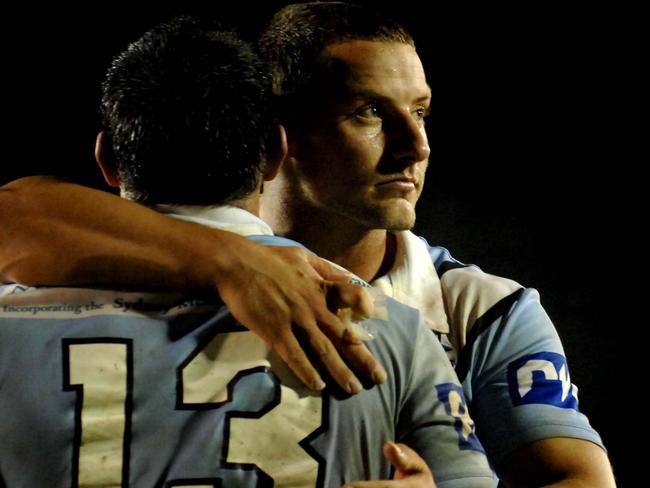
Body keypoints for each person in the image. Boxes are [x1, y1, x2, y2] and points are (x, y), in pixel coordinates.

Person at [0, 2, 616, 486]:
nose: (416, 145)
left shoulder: (480, 309)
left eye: (421, 112)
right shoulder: (399, 334)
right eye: (369, 111)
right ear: (280, 140)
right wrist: (230, 261)